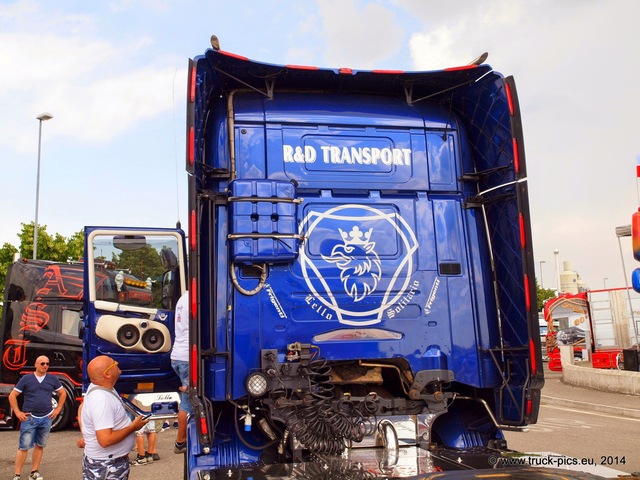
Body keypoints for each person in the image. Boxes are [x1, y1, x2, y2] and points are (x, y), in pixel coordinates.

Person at [80, 355, 149, 480]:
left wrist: (86, 434)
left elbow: (81, 408)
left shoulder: (100, 389)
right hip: (106, 466)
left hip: (109, 462)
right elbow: (105, 440)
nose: (117, 363)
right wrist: (133, 427)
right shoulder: (101, 399)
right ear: (107, 374)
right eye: (114, 363)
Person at [9, 355, 66, 480]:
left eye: (47, 363)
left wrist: (57, 409)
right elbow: (13, 395)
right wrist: (18, 412)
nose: (45, 366)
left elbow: (63, 393)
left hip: (46, 417)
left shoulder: (52, 379)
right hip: (29, 418)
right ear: (36, 364)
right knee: (23, 447)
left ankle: (34, 472)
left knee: (40, 445)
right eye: (42, 363)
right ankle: (17, 475)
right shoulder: (26, 379)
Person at [170, 290, 192, 453]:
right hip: (186, 357)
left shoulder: (182, 298)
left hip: (177, 355)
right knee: (187, 402)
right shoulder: (194, 299)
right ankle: (180, 441)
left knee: (188, 397)